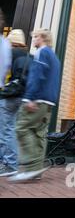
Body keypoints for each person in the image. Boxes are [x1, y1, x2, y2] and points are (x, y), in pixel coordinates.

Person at [8, 29, 61, 183]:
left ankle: (31, 168)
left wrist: (30, 98)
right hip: (49, 101)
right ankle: (36, 169)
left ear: (43, 38)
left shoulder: (42, 53)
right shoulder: (54, 57)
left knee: (21, 128)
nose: (34, 40)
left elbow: (37, 75)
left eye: (36, 37)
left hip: (37, 99)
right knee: (39, 134)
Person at [0, 30, 33, 177]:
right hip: (24, 97)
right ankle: (11, 161)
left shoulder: (9, 53)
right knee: (13, 129)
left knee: (6, 130)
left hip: (9, 96)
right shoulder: (30, 56)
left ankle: (10, 164)